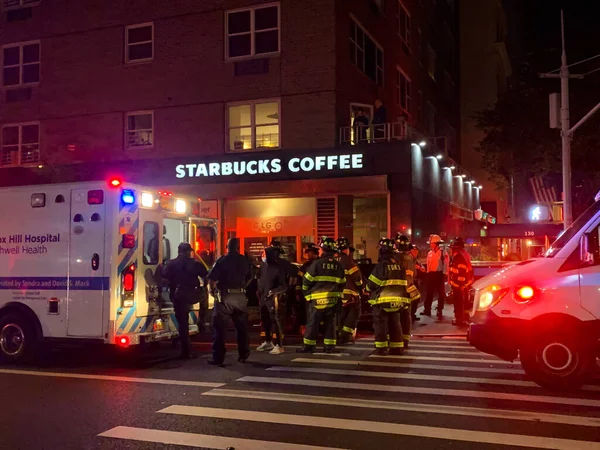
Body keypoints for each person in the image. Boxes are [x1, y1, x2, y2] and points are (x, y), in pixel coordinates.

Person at [207, 238, 253, 366]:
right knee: (242, 328)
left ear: (227, 246)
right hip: (241, 296)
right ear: (238, 247)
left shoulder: (222, 260)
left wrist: (212, 291)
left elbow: (212, 278)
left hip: (225, 296)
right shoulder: (244, 260)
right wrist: (242, 287)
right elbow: (251, 276)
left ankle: (218, 357)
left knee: (219, 328)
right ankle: (243, 354)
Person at [297, 237, 346, 354]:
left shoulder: (316, 264)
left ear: (322, 250)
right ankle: (329, 347)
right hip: (332, 300)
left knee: (313, 323)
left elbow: (306, 281)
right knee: (330, 323)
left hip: (316, 300)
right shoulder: (338, 265)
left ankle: (309, 347)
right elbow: (343, 282)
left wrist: (306, 294)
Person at [163, 242, 208, 359]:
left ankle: (185, 350)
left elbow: (165, 279)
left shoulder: (171, 263)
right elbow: (206, 275)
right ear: (187, 251)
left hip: (178, 295)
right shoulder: (195, 263)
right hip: (193, 295)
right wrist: (203, 288)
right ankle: (202, 321)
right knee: (204, 300)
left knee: (182, 323)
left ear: (179, 251)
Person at [367, 238, 410, 355]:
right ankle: (397, 347)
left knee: (380, 324)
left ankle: (381, 348)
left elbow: (372, 283)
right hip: (398, 301)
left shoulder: (381, 266)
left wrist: (367, 289)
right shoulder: (399, 266)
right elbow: (404, 283)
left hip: (382, 301)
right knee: (395, 324)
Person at [256, 246, 288, 354]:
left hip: (273, 298)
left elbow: (283, 286)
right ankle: (267, 341)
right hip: (263, 297)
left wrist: (274, 291)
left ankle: (279, 345)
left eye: (264, 254)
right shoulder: (263, 266)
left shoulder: (278, 268)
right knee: (264, 320)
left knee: (275, 320)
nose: (262, 256)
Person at [336, 236, 364, 345]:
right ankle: (345, 336)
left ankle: (339, 335)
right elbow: (357, 277)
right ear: (346, 249)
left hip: (337, 295)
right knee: (355, 314)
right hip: (350, 295)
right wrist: (361, 288)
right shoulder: (348, 260)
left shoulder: (332, 260)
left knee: (341, 316)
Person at [395, 234, 419, 348]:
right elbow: (414, 276)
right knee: (406, 317)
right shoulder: (411, 259)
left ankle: (397, 342)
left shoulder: (395, 258)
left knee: (396, 318)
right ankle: (405, 341)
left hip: (397, 292)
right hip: (408, 291)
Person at [422, 234, 449, 319]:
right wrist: (427, 273)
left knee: (440, 294)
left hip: (439, 275)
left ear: (436, 244)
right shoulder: (429, 253)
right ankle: (427, 309)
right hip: (431, 274)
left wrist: (445, 274)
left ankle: (439, 310)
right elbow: (428, 264)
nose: (430, 245)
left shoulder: (443, 253)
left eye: (432, 243)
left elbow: (446, 264)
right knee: (429, 293)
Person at [295, 243, 320, 335]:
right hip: (306, 295)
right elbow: (299, 281)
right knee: (305, 313)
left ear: (315, 253)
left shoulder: (320, 265)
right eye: (307, 253)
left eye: (310, 253)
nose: (308, 255)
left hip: (317, 294)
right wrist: (298, 293)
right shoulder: (304, 266)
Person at [448, 237, 474, 326]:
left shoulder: (458, 257)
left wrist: (460, 285)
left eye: (451, 249)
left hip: (459, 286)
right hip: (461, 285)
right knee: (462, 302)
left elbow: (461, 272)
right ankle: (462, 319)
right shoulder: (462, 255)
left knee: (459, 303)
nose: (450, 251)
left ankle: (460, 320)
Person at [408, 244, 426, 322]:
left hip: (415, 282)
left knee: (416, 299)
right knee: (411, 300)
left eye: (416, 251)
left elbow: (423, 269)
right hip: (409, 282)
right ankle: (409, 316)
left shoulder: (416, 260)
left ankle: (412, 314)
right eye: (414, 250)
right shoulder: (408, 260)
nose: (416, 252)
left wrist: (420, 267)